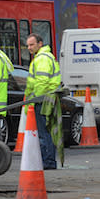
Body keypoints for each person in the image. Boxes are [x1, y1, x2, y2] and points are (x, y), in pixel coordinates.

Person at [24, 33, 62, 170]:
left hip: (42, 101)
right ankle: (48, 160)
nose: (29, 47)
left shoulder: (42, 59)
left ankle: (48, 161)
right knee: (45, 132)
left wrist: (33, 99)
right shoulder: (43, 57)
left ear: (40, 44)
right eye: (28, 45)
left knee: (43, 133)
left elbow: (41, 82)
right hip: (46, 99)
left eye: (32, 44)